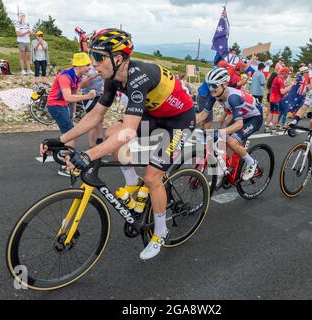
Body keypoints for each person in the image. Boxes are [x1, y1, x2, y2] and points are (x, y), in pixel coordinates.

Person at [40, 28, 195, 260]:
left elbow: (129, 132)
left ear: (119, 58)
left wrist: (89, 155)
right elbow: (95, 117)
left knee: (153, 177)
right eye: (92, 56)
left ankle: (160, 232)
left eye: (99, 57)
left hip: (179, 120)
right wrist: (60, 140)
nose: (94, 64)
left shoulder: (138, 76)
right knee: (110, 134)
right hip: (154, 114)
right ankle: (132, 185)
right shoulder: (112, 78)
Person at [196, 67, 263, 182]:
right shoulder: (215, 94)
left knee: (232, 141)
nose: (211, 89)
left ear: (224, 85)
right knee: (221, 140)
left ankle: (252, 164)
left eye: (214, 86)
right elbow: (203, 115)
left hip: (254, 118)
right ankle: (222, 172)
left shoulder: (233, 97)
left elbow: (239, 124)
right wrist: (186, 123)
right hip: (241, 116)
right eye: (209, 85)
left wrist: (220, 131)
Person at [45, 52, 97, 176]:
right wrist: (87, 96)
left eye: (89, 65)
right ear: (78, 65)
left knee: (69, 133)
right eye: (87, 65)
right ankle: (64, 165)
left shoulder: (77, 75)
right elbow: (68, 97)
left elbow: (73, 92)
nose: (90, 68)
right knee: (71, 135)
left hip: (63, 105)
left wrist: (73, 112)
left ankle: (60, 152)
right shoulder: (65, 76)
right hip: (56, 105)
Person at [79, 65, 105, 147]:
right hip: (89, 97)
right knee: (93, 120)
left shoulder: (103, 67)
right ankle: (92, 145)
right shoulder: (88, 69)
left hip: (100, 95)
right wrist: (92, 77)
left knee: (100, 119)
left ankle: (99, 141)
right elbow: (81, 85)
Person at [264, 67, 293, 134]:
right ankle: (273, 129)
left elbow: (281, 87)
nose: (288, 75)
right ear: (285, 73)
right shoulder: (280, 79)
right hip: (276, 99)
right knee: (276, 114)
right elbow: (282, 92)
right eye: (288, 73)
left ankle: (266, 127)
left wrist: (287, 86)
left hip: (272, 97)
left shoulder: (277, 78)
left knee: (271, 112)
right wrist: (290, 87)